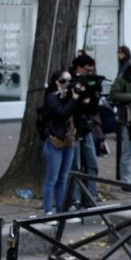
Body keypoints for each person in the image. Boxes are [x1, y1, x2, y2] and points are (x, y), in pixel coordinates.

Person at [41, 70, 79, 216]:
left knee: (63, 178)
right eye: (64, 80)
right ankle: (48, 211)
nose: (68, 84)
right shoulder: (51, 97)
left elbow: (85, 111)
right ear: (57, 82)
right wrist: (73, 99)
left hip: (69, 140)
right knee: (52, 178)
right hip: (55, 141)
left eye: (70, 80)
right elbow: (62, 113)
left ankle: (61, 211)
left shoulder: (73, 96)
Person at [68, 54, 100, 208]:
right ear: (79, 67)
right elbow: (70, 105)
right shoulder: (69, 80)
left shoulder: (90, 82)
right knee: (75, 166)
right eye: (87, 70)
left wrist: (94, 96)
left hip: (86, 128)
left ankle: (91, 198)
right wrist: (81, 96)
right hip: (73, 128)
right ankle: (75, 200)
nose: (89, 73)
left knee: (92, 164)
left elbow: (92, 110)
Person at [109, 55, 131, 190]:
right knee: (129, 152)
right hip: (129, 119)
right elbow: (113, 95)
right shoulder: (123, 78)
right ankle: (126, 182)